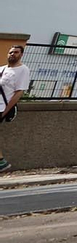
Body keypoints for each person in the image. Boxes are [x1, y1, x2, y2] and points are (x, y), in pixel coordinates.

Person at [0, 44, 31, 173]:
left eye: (16, 52)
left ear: (21, 54)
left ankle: (2, 162)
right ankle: (1, 162)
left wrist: (5, 111)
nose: (12, 54)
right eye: (11, 52)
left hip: (2, 106)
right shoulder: (1, 69)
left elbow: (18, 93)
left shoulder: (23, 70)